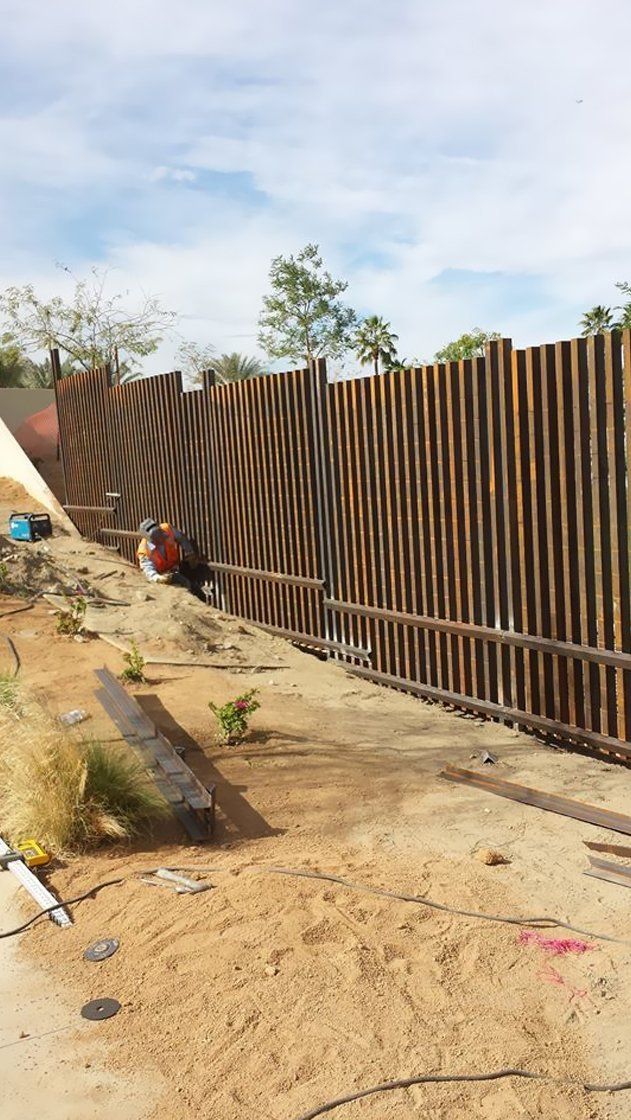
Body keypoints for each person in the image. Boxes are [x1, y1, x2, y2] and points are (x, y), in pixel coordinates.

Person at [136, 518, 198, 586]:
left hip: (175, 568)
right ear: (150, 539)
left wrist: (190, 553)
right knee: (184, 583)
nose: (162, 538)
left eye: (160, 534)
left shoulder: (167, 529)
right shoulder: (144, 551)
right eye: (157, 538)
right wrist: (160, 578)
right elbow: (149, 571)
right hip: (161, 575)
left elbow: (181, 538)